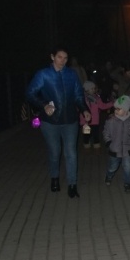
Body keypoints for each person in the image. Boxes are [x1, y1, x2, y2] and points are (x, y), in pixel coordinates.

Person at [25, 47, 91, 198]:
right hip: (50, 122)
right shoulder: (43, 74)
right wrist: (44, 104)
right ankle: (54, 178)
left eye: (65, 58)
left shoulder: (72, 74)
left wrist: (84, 109)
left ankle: (72, 185)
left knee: (71, 153)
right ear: (52, 57)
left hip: (70, 120)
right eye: (60, 57)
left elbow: (78, 95)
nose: (63, 60)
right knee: (55, 152)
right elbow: (30, 93)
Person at [103, 95, 130, 193]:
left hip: (127, 149)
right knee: (113, 166)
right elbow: (106, 132)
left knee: (127, 167)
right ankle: (109, 175)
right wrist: (108, 142)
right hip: (115, 149)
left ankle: (127, 183)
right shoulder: (111, 121)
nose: (116, 111)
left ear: (126, 110)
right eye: (115, 109)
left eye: (119, 109)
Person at [80, 80, 114, 149]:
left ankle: (96, 142)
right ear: (86, 90)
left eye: (94, 88)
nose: (94, 90)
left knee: (96, 133)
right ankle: (86, 142)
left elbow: (102, 106)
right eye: (92, 88)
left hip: (95, 120)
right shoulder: (81, 99)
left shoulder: (97, 98)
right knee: (86, 133)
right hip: (85, 121)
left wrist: (112, 103)